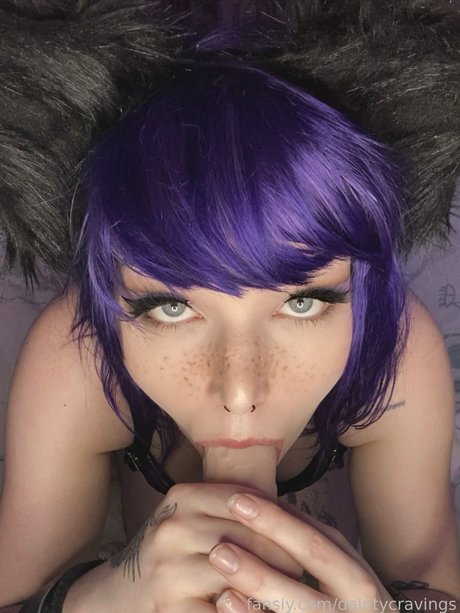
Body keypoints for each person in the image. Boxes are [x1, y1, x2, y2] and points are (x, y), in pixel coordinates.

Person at [0, 2, 459, 612]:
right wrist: (101, 599)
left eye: (303, 302)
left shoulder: (391, 351)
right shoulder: (80, 359)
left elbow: (437, 589)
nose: (240, 392)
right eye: (170, 308)